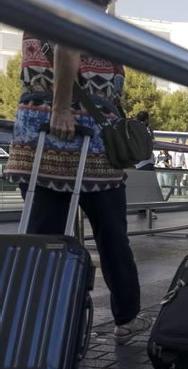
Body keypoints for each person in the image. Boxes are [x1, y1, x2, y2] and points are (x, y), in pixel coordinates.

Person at [2, 0, 145, 345]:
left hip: (42, 136)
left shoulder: (42, 11)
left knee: (43, 234)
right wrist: (62, 107)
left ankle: (40, 314)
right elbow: (68, 44)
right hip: (79, 138)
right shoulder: (77, 11)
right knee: (111, 234)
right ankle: (125, 316)